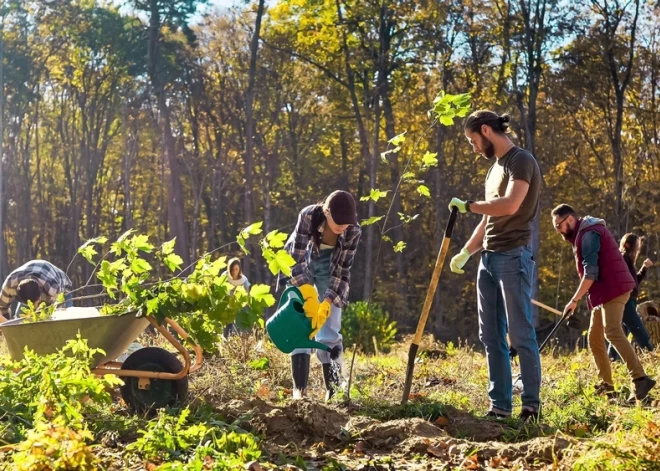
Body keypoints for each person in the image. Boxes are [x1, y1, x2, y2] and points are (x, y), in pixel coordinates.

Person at [449, 110, 542, 421]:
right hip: (488, 259)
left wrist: (468, 206)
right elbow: (490, 218)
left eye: (473, 140)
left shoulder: (521, 160)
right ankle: (500, 406)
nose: (473, 147)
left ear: (486, 131)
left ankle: (530, 407)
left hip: (513, 256)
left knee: (520, 333)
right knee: (490, 336)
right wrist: (466, 252)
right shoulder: (493, 170)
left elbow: (511, 205)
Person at [551, 204, 656, 402]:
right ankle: (607, 386)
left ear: (571, 220)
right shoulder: (583, 234)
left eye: (559, 225)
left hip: (614, 288)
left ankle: (640, 379)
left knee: (612, 331)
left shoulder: (589, 235)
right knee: (594, 337)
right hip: (603, 291)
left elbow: (590, 273)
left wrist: (574, 300)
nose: (558, 230)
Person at [281, 190, 361, 400]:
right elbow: (294, 259)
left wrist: (326, 301)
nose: (343, 226)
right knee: (302, 324)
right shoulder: (308, 216)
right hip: (303, 264)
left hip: (330, 270)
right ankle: (300, 391)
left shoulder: (353, 231)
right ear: (326, 211)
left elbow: (342, 270)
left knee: (330, 330)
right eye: (339, 221)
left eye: (347, 222)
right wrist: (307, 292)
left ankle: (334, 392)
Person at [607, 233, 654, 360]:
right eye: (637, 245)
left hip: (629, 301)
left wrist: (644, 268)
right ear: (628, 245)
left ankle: (611, 359)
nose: (639, 247)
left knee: (621, 333)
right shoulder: (623, 259)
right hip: (626, 302)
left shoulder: (627, 260)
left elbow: (633, 282)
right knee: (640, 332)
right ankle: (653, 357)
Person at [0, 260, 73, 322]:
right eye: (31, 305)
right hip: (32, 276)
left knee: (62, 321)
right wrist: (8, 328)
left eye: (36, 304)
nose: (34, 308)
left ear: (40, 295)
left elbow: (59, 315)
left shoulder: (52, 288)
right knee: (20, 320)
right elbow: (2, 308)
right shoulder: (10, 285)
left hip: (62, 285)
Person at [222, 257, 251, 336]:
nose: (234, 272)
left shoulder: (244, 281)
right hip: (227, 307)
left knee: (237, 331)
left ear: (239, 269)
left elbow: (247, 295)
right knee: (225, 331)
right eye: (232, 270)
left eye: (236, 269)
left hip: (239, 308)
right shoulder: (224, 277)